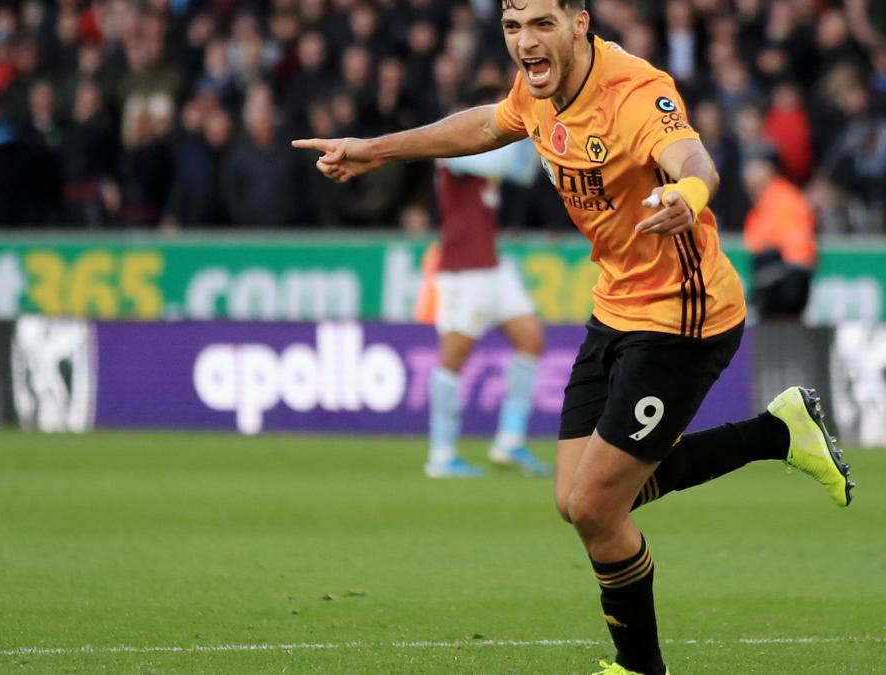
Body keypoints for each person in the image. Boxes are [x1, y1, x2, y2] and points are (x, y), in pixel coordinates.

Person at [294, 2, 853, 673]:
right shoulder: (538, 94)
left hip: (684, 317)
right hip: (615, 306)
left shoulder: (635, 91)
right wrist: (374, 151)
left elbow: (693, 157)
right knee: (575, 500)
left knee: (595, 505)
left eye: (540, 24)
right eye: (512, 27)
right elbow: (481, 126)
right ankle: (779, 431)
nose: (525, 42)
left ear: (579, 22)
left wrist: (691, 197)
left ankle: (640, 666)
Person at [417, 93, 551, 478]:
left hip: (492, 264)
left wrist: (529, 128)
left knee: (530, 339)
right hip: (464, 269)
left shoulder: (484, 154)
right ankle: (441, 455)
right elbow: (507, 159)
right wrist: (532, 119)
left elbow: (523, 172)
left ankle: (509, 441)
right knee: (454, 358)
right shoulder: (452, 150)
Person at [741, 150, 817, 319]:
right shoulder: (764, 203)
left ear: (768, 171)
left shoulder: (783, 201)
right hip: (777, 282)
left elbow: (798, 252)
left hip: (786, 283)